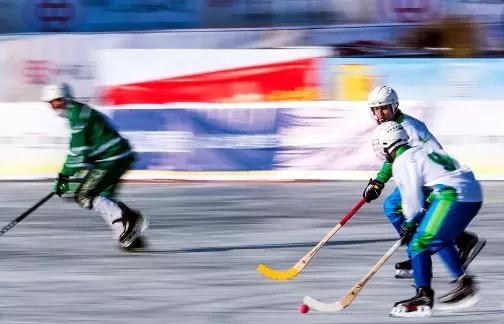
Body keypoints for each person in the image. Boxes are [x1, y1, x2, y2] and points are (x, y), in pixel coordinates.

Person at [362, 85, 485, 278]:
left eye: (384, 107)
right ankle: (461, 240)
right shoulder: (391, 126)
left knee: (394, 207)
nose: (380, 113)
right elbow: (393, 157)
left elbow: (425, 154)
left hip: (431, 178)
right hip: (422, 175)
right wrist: (379, 181)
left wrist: (428, 198)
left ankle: (417, 254)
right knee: (408, 211)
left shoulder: (409, 127)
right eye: (375, 109)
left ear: (395, 106)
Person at [372, 121, 482, 317]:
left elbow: (412, 200)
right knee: (435, 239)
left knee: (419, 241)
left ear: (388, 145)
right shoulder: (420, 150)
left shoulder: (402, 161)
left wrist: (408, 223)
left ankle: (430, 293)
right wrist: (413, 221)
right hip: (471, 192)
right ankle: (458, 284)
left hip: (453, 195)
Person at [41, 83, 148, 250]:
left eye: (58, 101)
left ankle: (129, 220)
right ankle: (128, 235)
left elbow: (77, 152)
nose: (55, 106)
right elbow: (85, 151)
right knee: (103, 196)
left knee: (84, 195)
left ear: (66, 98)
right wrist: (72, 175)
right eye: (52, 103)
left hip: (113, 157)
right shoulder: (78, 112)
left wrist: (64, 177)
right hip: (119, 156)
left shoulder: (77, 115)